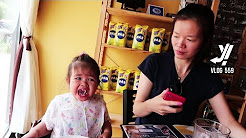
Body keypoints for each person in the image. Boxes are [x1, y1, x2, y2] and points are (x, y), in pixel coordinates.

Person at [133, 3, 246, 138]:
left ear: (204, 41)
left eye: (190, 39)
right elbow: (137, 109)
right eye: (176, 36)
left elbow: (228, 122)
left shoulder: (208, 76)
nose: (180, 44)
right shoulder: (155, 62)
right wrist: (151, 105)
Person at [23, 53, 112, 138]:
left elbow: (106, 122)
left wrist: (107, 132)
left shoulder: (99, 103)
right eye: (78, 78)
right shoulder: (59, 102)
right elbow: (46, 125)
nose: (84, 83)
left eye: (90, 79)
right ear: (68, 81)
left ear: (97, 84)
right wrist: (33, 133)